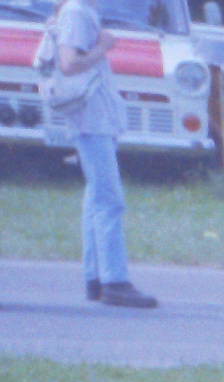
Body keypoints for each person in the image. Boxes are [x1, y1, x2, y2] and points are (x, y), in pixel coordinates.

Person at [38, 0, 154, 307]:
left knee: (96, 198)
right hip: (91, 119)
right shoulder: (76, 11)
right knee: (109, 200)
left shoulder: (81, 11)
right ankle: (114, 280)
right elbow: (69, 63)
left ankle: (96, 278)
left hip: (94, 117)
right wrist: (103, 47)